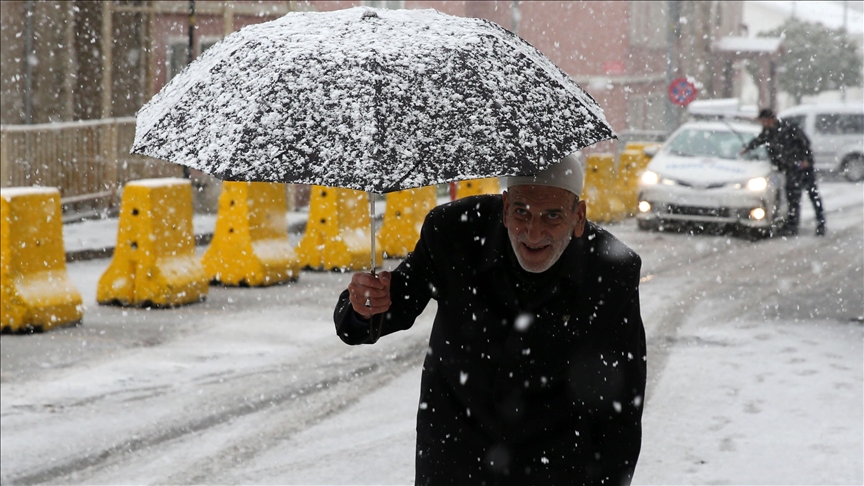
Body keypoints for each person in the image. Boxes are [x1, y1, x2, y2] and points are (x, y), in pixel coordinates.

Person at [333, 154, 647, 485]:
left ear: (578, 216)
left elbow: (621, 408)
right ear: (505, 205)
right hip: (455, 457)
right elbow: (386, 308)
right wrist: (363, 307)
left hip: (555, 465)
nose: (533, 232)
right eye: (521, 211)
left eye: (552, 216)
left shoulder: (611, 272)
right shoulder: (454, 233)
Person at [741, 108, 827, 236]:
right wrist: (747, 148)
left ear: (771, 119)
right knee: (792, 197)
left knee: (813, 195)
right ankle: (792, 225)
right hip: (789, 168)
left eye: (764, 121)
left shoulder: (789, 128)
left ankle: (820, 224)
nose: (763, 124)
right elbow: (759, 140)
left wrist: (805, 159)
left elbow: (804, 143)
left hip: (802, 167)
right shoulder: (768, 132)